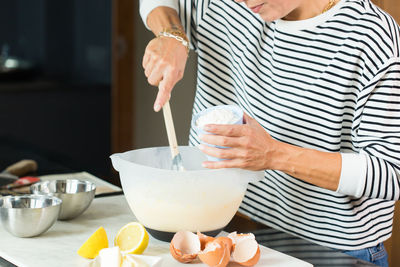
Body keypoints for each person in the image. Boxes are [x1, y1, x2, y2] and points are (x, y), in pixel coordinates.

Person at [139, 0, 400, 266]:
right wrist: (171, 33)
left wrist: (275, 154)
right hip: (228, 233)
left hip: (328, 251)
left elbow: (392, 173)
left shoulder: (370, 37)